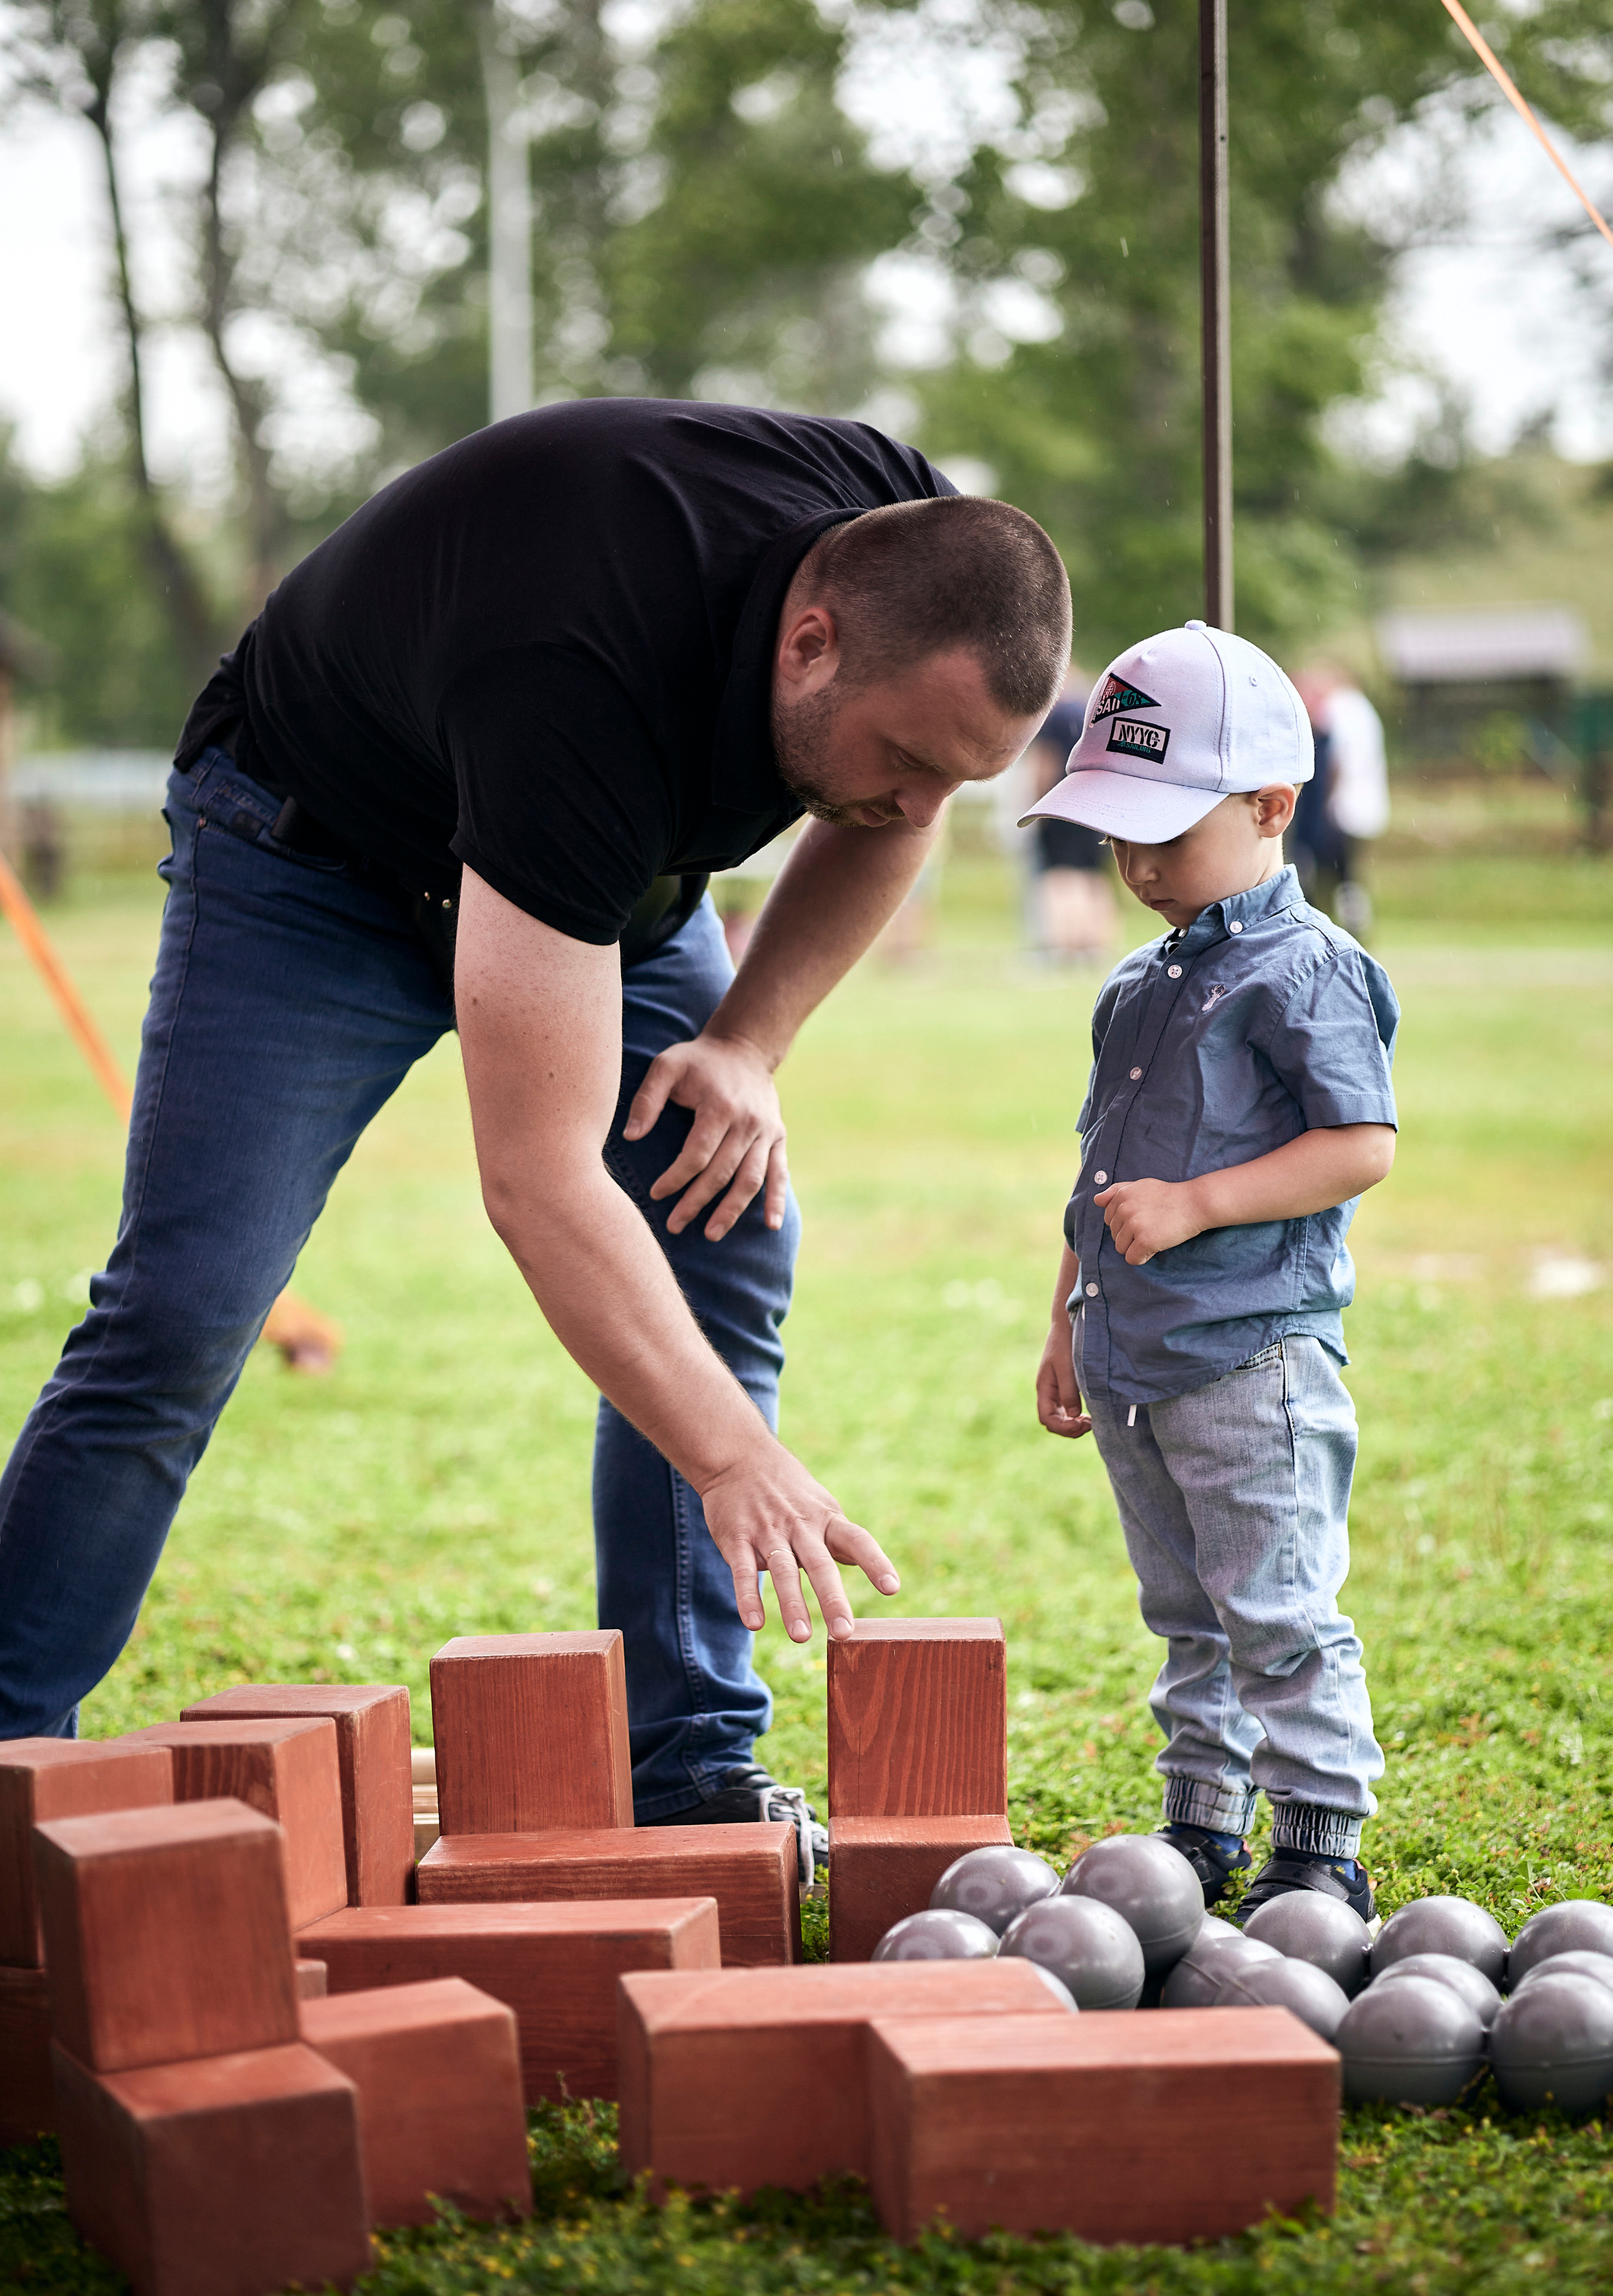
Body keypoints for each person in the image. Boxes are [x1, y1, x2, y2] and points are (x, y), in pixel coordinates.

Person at [0, 400, 1071, 1879]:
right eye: (907, 758)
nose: (918, 809)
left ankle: (688, 1765)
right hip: (313, 861)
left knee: (721, 1215)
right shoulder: (576, 669)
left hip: (599, 870)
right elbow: (539, 1181)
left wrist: (745, 1042)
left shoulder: (907, 551)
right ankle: (6, 1740)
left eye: (961, 777)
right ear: (808, 637)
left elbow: (880, 815)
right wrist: (733, 1456)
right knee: (185, 1307)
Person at [1028, 620, 1399, 1920]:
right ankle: (1202, 1820)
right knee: (1185, 1610)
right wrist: (1067, 1316)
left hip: (1249, 1355)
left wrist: (1200, 1205)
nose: (1132, 862)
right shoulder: (1132, 984)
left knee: (1275, 1606)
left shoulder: (1307, 972)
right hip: (1134, 1356)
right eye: (1114, 832)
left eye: (1163, 832)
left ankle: (1317, 1839)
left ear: (1270, 807)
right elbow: (1094, 1174)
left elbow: (1358, 1146)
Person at [1025, 676, 1119, 964]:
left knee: (1060, 876)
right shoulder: (1097, 714)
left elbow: (1045, 765)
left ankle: (1064, 946)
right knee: (1093, 876)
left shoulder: (1054, 717)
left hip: (1062, 806)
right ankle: (1095, 944)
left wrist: (1038, 807)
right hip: (1095, 806)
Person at [1291, 666, 1390, 936]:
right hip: (1353, 810)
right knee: (1346, 876)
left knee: (1332, 875)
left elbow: (1337, 762)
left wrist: (1325, 806)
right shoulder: (1362, 710)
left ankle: (1333, 928)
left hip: (1335, 811)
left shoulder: (1341, 709)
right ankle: (1351, 927)